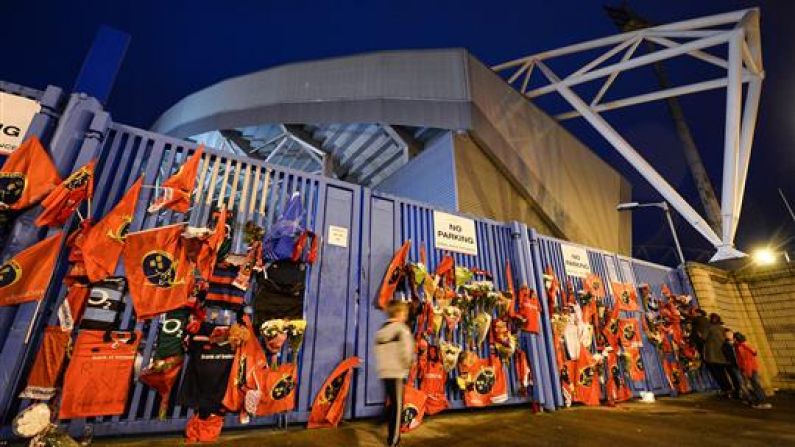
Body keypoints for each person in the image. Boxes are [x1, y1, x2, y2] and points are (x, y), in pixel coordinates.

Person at [375, 301, 414, 447]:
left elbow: (378, 351)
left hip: (384, 371)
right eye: (404, 313)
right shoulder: (401, 329)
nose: (405, 316)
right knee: (398, 406)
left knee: (392, 401)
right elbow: (406, 352)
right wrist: (408, 365)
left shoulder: (381, 330)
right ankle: (394, 440)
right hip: (397, 371)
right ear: (399, 313)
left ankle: (382, 419)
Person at [734, 332, 772, 409]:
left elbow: (746, 361)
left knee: (755, 385)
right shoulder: (746, 345)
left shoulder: (742, 348)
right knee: (755, 384)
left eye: (734, 338)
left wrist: (747, 372)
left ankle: (759, 402)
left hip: (749, 369)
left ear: (736, 339)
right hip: (753, 368)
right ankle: (759, 399)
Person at [703, 313, 732, 396]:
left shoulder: (709, 328)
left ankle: (725, 390)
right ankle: (729, 389)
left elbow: (704, 337)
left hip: (712, 355)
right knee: (723, 373)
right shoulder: (722, 328)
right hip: (722, 355)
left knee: (718, 374)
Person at [722, 329, 744, 399]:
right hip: (733, 365)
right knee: (737, 380)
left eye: (730, 334)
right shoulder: (725, 345)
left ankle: (745, 393)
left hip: (741, 364)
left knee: (743, 379)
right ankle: (741, 394)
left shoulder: (738, 343)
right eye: (727, 335)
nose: (728, 336)